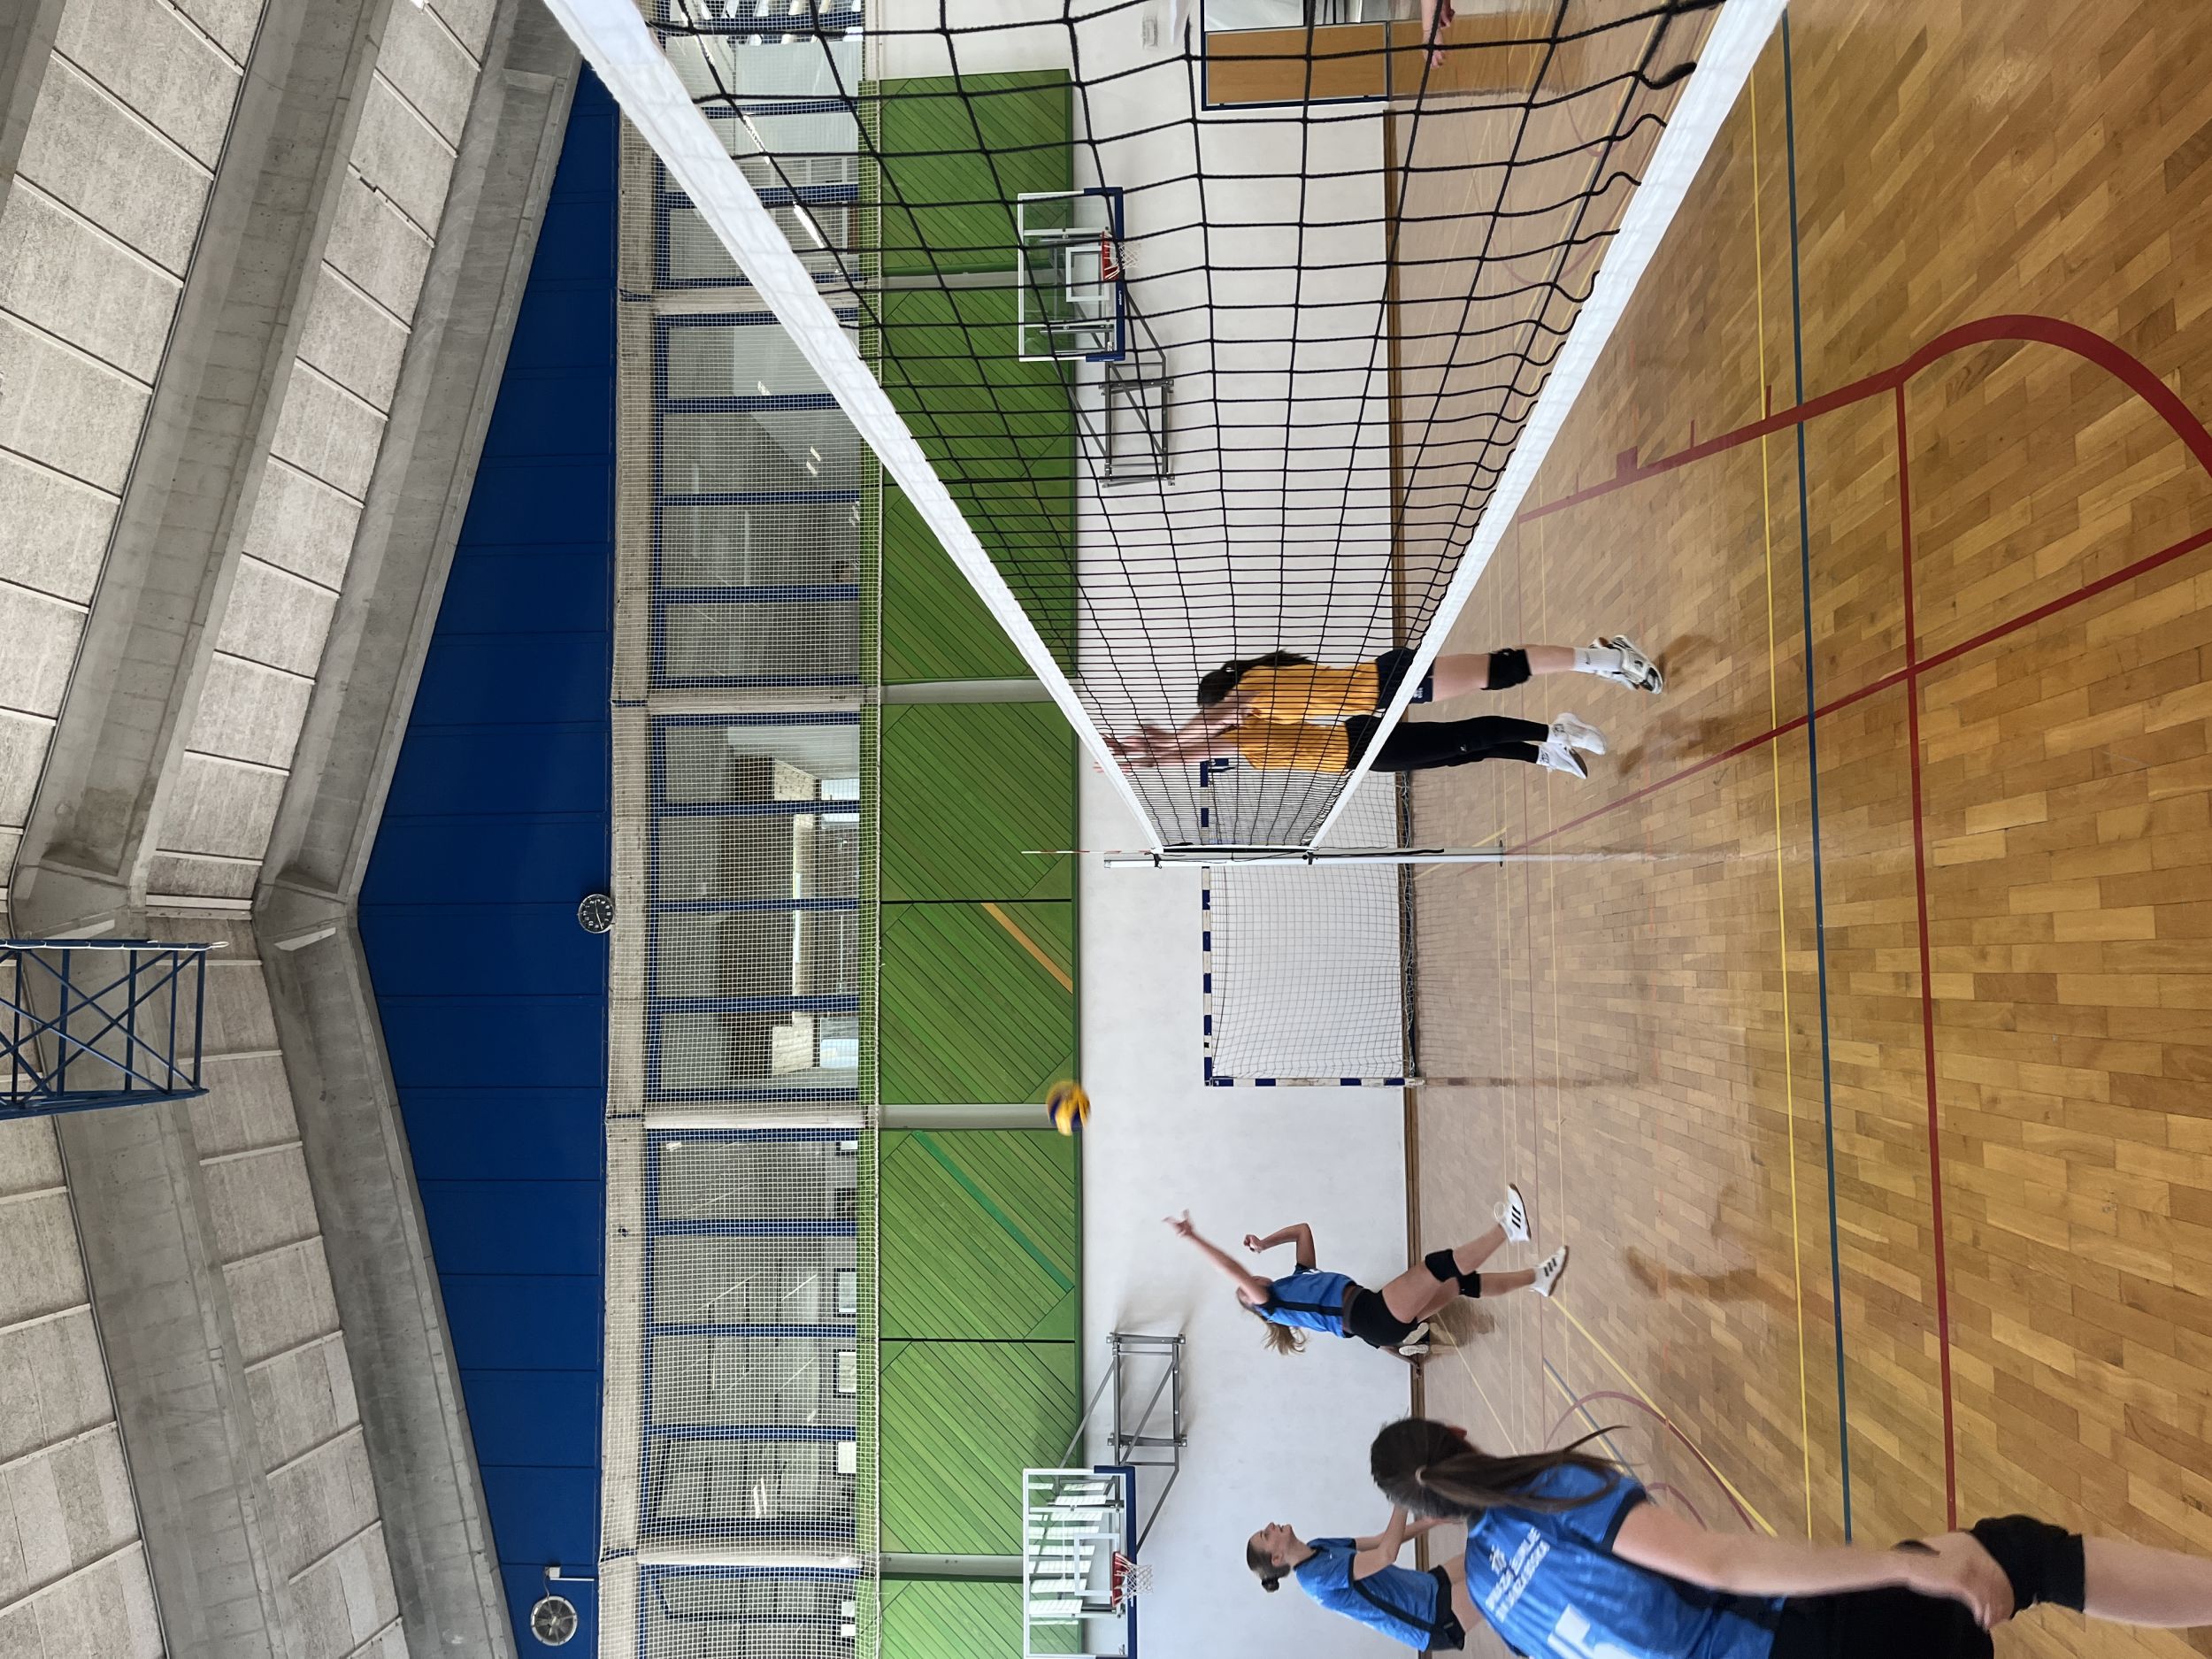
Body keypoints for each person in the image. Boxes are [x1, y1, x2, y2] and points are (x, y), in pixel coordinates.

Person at [1369, 1415, 2212, 1658]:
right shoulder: (1553, 1489)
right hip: (1795, 1643)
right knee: (2016, 1557)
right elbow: (1721, 1563)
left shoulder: (1489, 1595)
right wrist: (1902, 1566)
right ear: (1457, 1434)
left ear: (1432, 1513)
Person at [1110, 638, 1659, 778]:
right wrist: (1145, 754)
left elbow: (1210, 727)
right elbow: (1196, 748)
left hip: (1388, 681)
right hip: (1364, 738)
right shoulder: (1247, 727)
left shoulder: (1254, 687)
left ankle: (1606, 660)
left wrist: (1157, 743)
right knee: (1467, 735)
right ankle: (1555, 734)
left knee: (1501, 670)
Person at [1163, 1192, 1567, 1363]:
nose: (1249, 1284)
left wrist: (1266, 1242)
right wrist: (1193, 1237)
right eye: (1245, 1291)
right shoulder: (1274, 1306)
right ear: (1254, 1301)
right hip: (1370, 1315)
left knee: (1458, 1283)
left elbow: (1303, 1230)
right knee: (1438, 1266)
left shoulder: (1298, 1279)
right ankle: (1508, 1229)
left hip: (1372, 1316)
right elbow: (1231, 1269)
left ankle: (1536, 1278)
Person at [1246, 1503, 1474, 1652]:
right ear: (1277, 1558)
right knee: (1495, 1578)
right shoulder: (1314, 1578)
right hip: (1429, 1618)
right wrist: (1400, 1497)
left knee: (1487, 1553)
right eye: (1266, 1535)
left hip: (1427, 1586)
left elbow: (1379, 1542)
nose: (1270, 1526)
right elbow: (1386, 1555)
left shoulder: (1317, 1546)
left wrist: (1430, 1522)